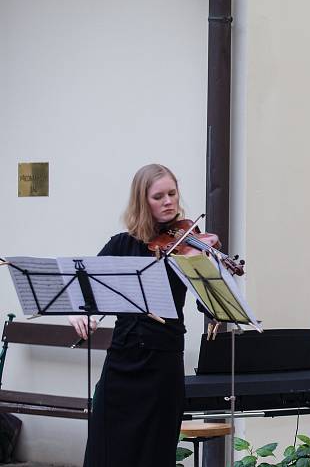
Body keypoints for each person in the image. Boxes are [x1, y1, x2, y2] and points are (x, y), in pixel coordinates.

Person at [69, 163, 218, 467]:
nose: (168, 201)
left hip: (162, 367)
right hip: (121, 366)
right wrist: (84, 315)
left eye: (173, 193)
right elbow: (88, 292)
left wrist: (206, 267)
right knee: (104, 454)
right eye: (158, 196)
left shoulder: (190, 245)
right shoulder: (121, 244)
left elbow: (211, 309)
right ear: (142, 201)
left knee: (154, 455)